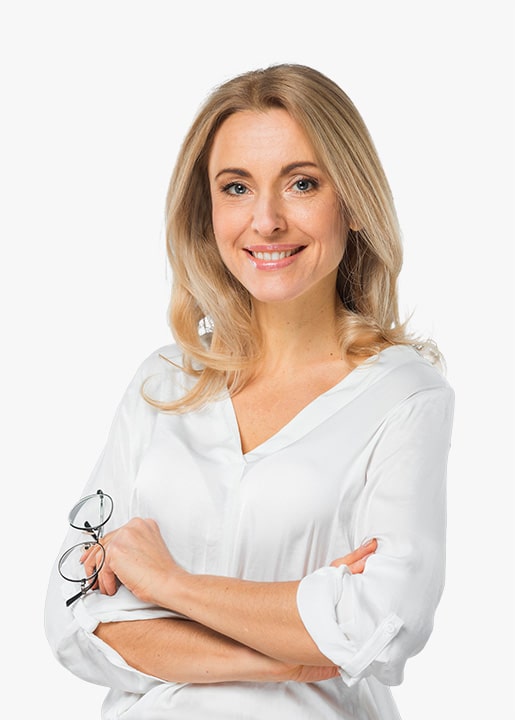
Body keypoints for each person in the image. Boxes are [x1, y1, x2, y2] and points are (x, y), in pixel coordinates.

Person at [45, 63, 454, 719]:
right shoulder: (163, 383)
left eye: (301, 183)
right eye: (236, 187)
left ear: (352, 201)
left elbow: (381, 625)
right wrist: (289, 650)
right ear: (207, 211)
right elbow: (76, 622)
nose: (265, 221)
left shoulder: (404, 396)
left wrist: (168, 585)